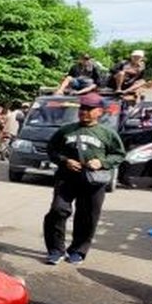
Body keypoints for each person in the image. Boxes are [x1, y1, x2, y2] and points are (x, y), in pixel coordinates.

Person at [42, 92, 126, 265]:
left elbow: (119, 155)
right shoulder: (66, 130)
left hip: (94, 181)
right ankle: (56, 250)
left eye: (89, 109)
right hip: (67, 179)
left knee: (87, 216)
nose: (84, 112)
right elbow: (51, 150)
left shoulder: (107, 134)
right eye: (82, 108)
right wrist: (65, 161)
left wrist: (101, 162)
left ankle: (78, 250)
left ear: (100, 111)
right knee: (58, 211)